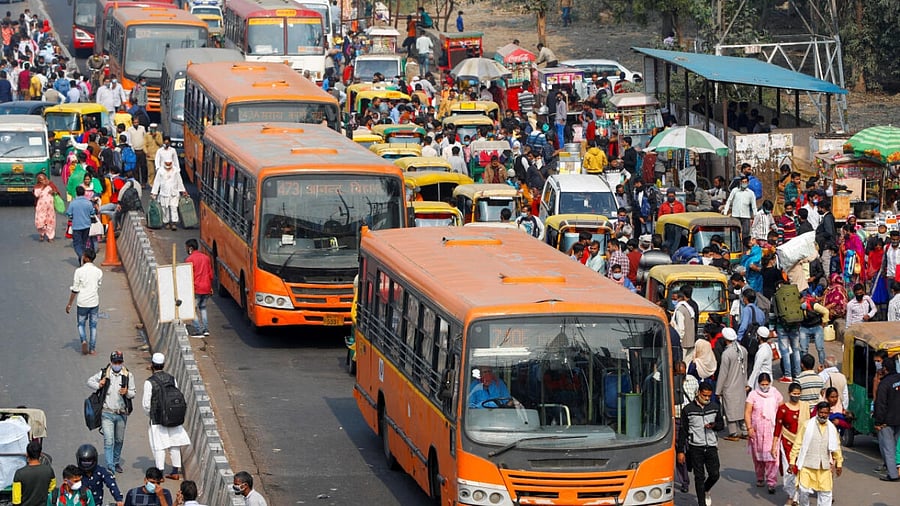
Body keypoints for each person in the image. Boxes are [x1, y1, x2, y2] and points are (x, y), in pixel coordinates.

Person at [143, 353, 191, 481]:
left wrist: (151, 415)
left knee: (159, 447)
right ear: (163, 365)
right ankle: (175, 472)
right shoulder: (172, 379)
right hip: (173, 417)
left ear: (152, 365)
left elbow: (146, 405)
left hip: (157, 419)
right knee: (174, 444)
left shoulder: (149, 382)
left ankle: (160, 475)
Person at [87, 351, 136, 474]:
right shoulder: (104, 373)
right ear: (111, 362)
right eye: (115, 362)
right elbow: (89, 381)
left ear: (122, 362)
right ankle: (110, 466)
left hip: (121, 413)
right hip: (107, 413)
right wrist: (99, 384)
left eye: (119, 362)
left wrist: (127, 392)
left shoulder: (128, 375)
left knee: (119, 440)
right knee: (109, 440)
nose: (117, 365)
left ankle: (115, 461)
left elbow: (133, 393)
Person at [676, 381, 724, 506]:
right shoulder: (688, 410)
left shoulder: (714, 407)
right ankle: (701, 502)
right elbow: (683, 431)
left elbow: (721, 425)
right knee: (699, 477)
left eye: (709, 396)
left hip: (711, 446)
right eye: (704, 396)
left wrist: (714, 426)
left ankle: (706, 489)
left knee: (714, 474)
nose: (707, 399)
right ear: (698, 393)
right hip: (695, 447)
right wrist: (680, 451)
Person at [789, 401, 843, 506]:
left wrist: (839, 464)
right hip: (807, 465)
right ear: (817, 411)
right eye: (821, 412)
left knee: (826, 492)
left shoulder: (832, 428)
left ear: (829, 413)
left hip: (824, 466)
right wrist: (792, 461)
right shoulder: (807, 425)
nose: (823, 415)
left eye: (826, 413)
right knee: (803, 491)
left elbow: (836, 447)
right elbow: (798, 443)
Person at [745, 372, 783, 494]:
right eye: (762, 384)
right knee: (758, 457)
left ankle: (771, 481)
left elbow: (782, 410)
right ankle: (760, 477)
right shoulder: (753, 395)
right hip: (757, 430)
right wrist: (749, 428)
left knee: (772, 457)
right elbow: (747, 412)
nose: (764, 387)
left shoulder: (775, 394)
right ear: (758, 383)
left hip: (772, 430)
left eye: (767, 384)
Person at [773, 382, 810, 506]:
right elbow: (777, 428)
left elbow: (809, 427)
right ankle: (791, 496)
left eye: (799, 394)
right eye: (794, 394)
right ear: (789, 393)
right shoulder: (783, 409)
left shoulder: (805, 407)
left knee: (801, 470)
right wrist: (774, 446)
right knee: (789, 470)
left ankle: (796, 497)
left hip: (802, 444)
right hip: (787, 443)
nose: (796, 396)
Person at [66, 248, 103, 355]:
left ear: (86, 258)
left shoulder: (79, 271)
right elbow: (98, 285)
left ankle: (83, 340)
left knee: (81, 324)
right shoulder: (98, 272)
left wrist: (69, 304)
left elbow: (75, 289)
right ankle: (92, 349)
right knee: (93, 326)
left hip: (82, 302)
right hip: (94, 302)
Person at [716, 328, 748, 441]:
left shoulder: (726, 354)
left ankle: (733, 433)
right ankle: (745, 430)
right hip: (740, 385)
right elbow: (745, 369)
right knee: (741, 409)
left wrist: (718, 390)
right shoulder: (743, 350)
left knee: (730, 410)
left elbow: (723, 374)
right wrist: (745, 383)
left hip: (729, 386)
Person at [674, 361, 699, 493]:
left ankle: (690, 468)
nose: (680, 377)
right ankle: (684, 480)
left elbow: (698, 399)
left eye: (682, 374)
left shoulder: (693, 381)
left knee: (691, 450)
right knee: (680, 451)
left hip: (690, 420)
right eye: (678, 374)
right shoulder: (669, 383)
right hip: (676, 421)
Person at [874, 354, 900, 481]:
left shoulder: (884, 384)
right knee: (896, 447)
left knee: (889, 447)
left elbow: (880, 404)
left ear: (885, 369)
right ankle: (896, 469)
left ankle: (893, 474)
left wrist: (878, 421)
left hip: (887, 421)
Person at [11, 441, 55, 506]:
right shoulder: (49, 470)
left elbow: (16, 500)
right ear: (40, 454)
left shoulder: (19, 474)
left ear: (27, 454)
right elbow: (52, 487)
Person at [185, 239, 213, 338]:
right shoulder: (206, 258)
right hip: (206, 288)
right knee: (203, 308)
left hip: (196, 288)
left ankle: (198, 328)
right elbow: (210, 274)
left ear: (190, 248)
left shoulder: (189, 260)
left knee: (192, 309)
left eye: (187, 247)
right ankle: (205, 329)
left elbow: (188, 276)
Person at [150, 158, 187, 231]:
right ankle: (166, 222)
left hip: (174, 193)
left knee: (174, 207)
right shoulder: (160, 171)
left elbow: (179, 181)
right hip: (164, 193)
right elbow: (157, 182)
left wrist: (183, 191)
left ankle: (174, 223)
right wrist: (154, 193)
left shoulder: (175, 171)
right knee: (164, 208)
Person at [66, 186, 97, 264]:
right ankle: (83, 258)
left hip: (76, 226)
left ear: (76, 193)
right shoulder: (88, 203)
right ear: (84, 193)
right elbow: (92, 213)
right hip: (86, 225)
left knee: (77, 243)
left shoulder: (73, 203)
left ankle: (81, 255)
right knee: (84, 242)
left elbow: (69, 214)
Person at [33, 172, 60, 243]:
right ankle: (42, 234)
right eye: (40, 180)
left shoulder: (51, 185)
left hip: (50, 207)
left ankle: (50, 237)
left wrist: (53, 192)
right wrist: (43, 186)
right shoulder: (37, 187)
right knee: (40, 221)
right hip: (41, 207)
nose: (43, 181)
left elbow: (57, 193)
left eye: (43, 179)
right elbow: (36, 195)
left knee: (50, 221)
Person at [671, 289, 697, 362]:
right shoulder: (689, 309)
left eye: (675, 299)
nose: (673, 301)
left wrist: (679, 340)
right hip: (691, 342)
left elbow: (681, 328)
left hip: (683, 343)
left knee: (681, 364)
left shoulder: (680, 310)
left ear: (680, 298)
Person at [747, 326, 774, 391]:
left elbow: (756, 368)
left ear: (759, 337)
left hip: (762, 379)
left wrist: (749, 384)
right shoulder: (767, 347)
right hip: (767, 377)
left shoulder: (762, 351)